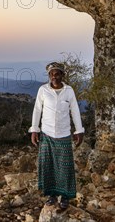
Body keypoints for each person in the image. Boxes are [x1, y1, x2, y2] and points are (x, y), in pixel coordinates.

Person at [29, 62, 85, 210]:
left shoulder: (69, 91)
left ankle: (65, 196)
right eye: (51, 74)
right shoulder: (43, 90)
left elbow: (75, 111)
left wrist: (79, 130)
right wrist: (34, 130)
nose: (54, 76)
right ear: (49, 76)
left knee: (64, 167)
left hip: (64, 134)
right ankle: (51, 195)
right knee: (48, 166)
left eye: (57, 73)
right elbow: (37, 110)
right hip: (47, 134)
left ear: (62, 75)